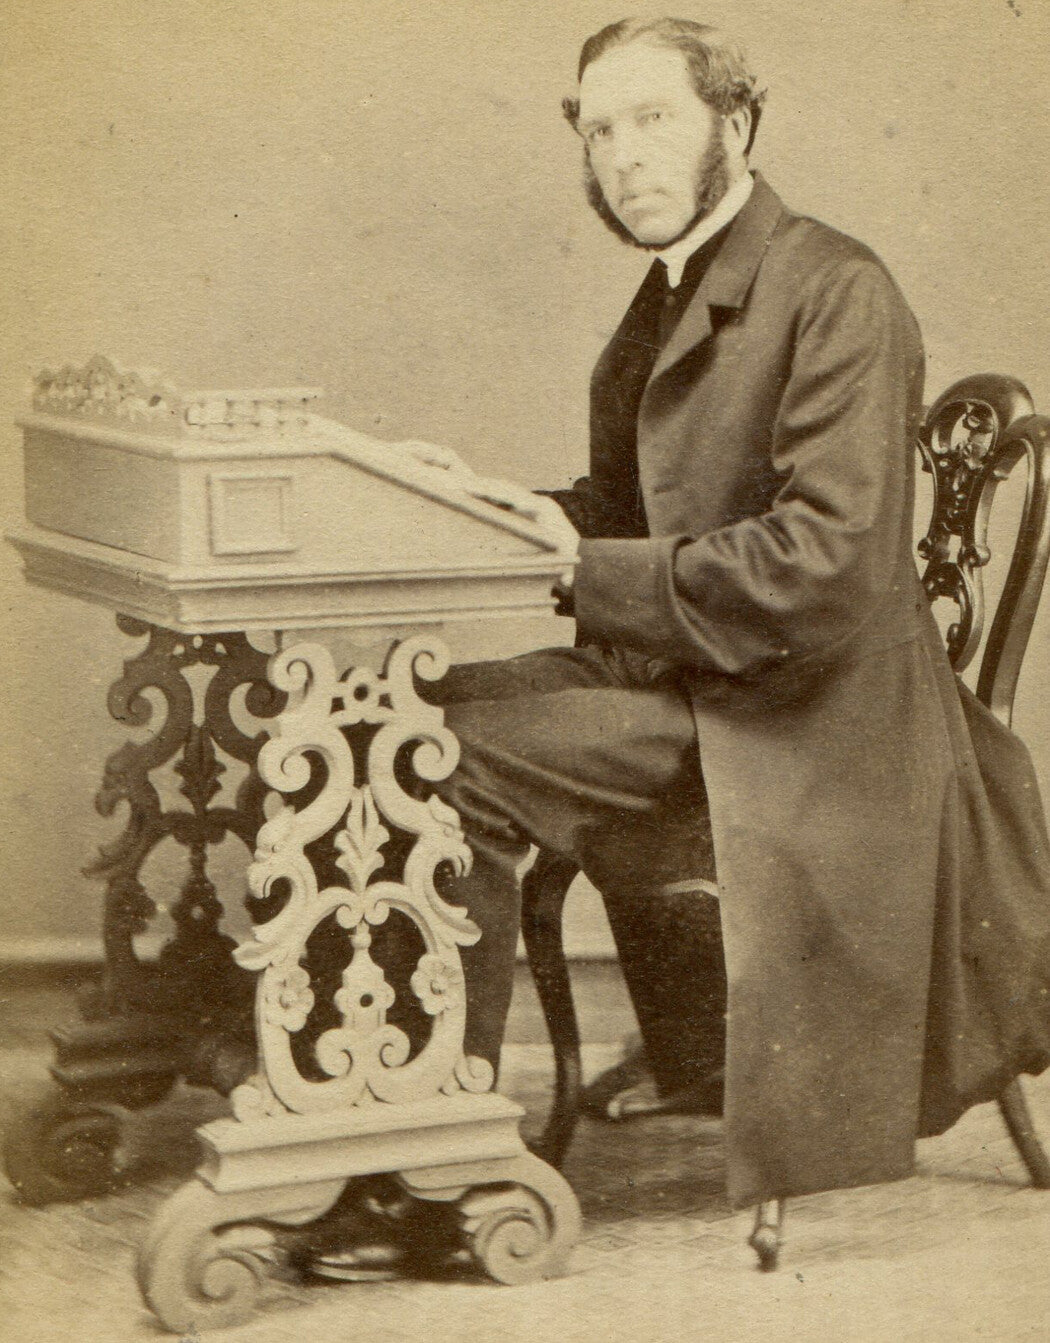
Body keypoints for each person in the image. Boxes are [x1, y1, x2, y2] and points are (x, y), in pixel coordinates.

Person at [309, 20, 1050, 1270]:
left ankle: (430, 1163)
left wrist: (573, 564)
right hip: (707, 678)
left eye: (653, 119)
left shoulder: (837, 289)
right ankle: (358, 1107)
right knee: (388, 714)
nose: (623, 157)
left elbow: (819, 564)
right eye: (599, 130)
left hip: (811, 721)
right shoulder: (679, 289)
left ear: (737, 126)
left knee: (441, 762)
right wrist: (490, 506)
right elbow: (631, 515)